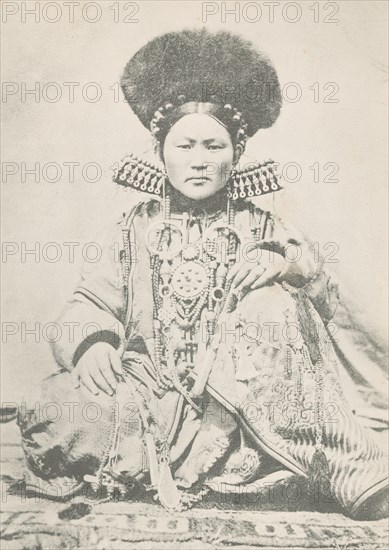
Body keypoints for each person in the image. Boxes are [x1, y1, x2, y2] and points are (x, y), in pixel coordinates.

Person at [16, 29, 388, 519]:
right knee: (51, 406)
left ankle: (336, 470)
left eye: (213, 146)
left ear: (236, 156)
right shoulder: (132, 228)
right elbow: (88, 301)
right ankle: (172, 462)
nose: (198, 161)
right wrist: (94, 343)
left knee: (273, 303)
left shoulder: (262, 223)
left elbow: (321, 293)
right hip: (154, 394)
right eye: (185, 145)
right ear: (159, 152)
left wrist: (285, 264)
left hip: (246, 405)